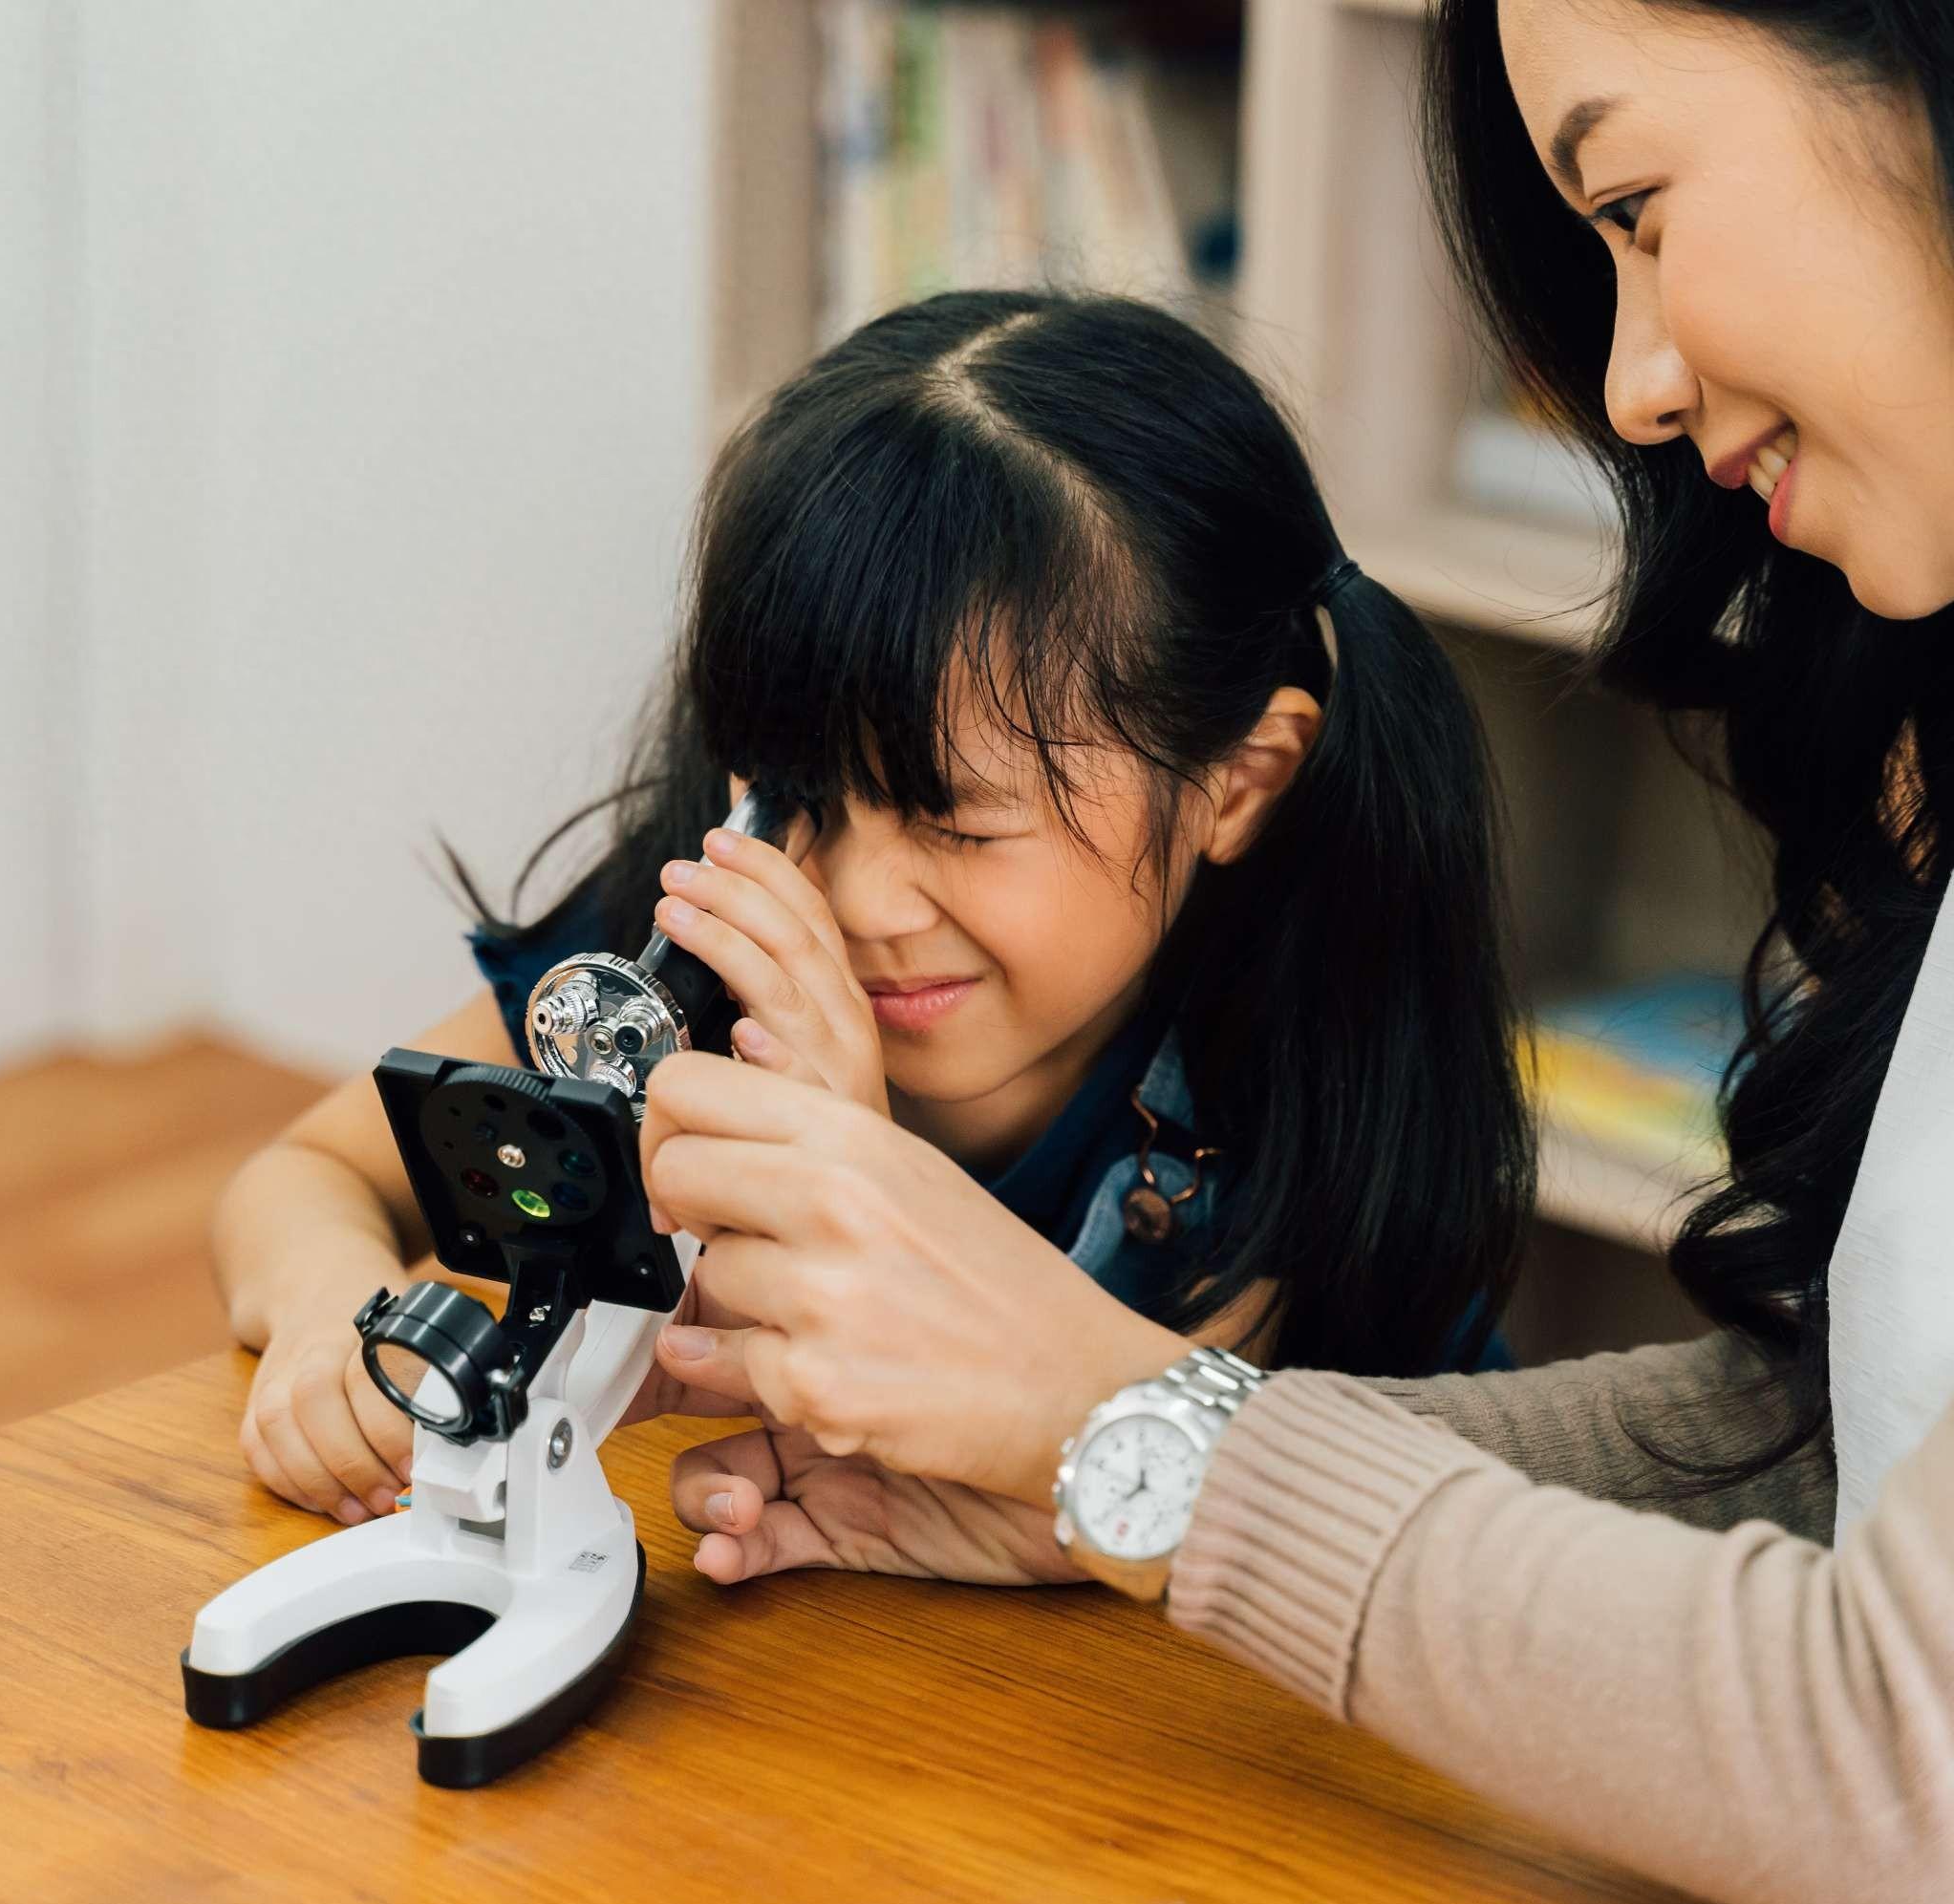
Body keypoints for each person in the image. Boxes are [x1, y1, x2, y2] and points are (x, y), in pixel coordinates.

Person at [625, 1, 1954, 1904]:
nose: (1635, 380)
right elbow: (1844, 1454)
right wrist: (1099, 1491)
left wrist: (1126, 1437)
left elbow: (1911, 1771)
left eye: (1640, 210)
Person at [210, 289, 1527, 1530]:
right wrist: (332, 1306)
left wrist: (849, 1181)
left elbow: (1290, 1500)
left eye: (959, 821)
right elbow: (307, 1172)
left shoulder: (1305, 1066)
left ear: (1237, 784)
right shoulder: (685, 961)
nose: (857, 898)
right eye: (795, 792)